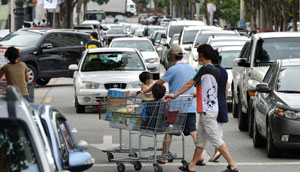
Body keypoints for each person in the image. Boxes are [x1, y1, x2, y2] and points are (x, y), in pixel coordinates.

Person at [170, 44, 238, 172]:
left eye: (199, 54)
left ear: (202, 55)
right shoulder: (216, 70)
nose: (198, 57)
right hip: (210, 110)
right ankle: (192, 165)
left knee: (215, 139)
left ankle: (232, 164)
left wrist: (175, 95)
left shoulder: (204, 69)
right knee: (200, 140)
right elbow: (210, 88)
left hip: (207, 111)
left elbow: (190, 83)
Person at [146, 45, 205, 165]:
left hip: (175, 106)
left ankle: (163, 156)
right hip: (189, 104)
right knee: (193, 131)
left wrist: (148, 90)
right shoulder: (190, 68)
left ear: (172, 56)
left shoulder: (172, 69)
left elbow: (160, 83)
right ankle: (201, 155)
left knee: (169, 131)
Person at [208, 50, 229, 162]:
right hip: (222, 102)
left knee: (211, 131)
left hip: (212, 104)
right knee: (219, 130)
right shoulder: (224, 72)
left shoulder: (211, 72)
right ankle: (216, 153)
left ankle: (218, 151)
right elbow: (226, 89)